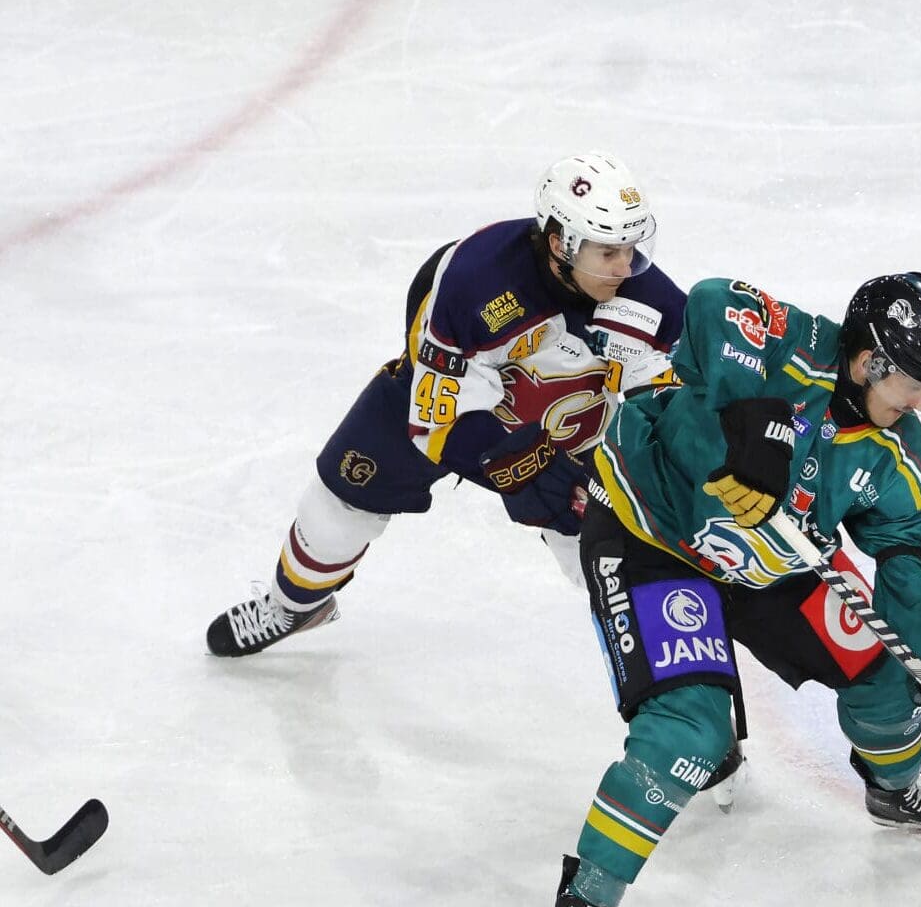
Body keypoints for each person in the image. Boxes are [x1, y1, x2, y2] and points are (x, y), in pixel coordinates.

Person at [526, 270, 921, 907]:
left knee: (886, 671)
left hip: (769, 568)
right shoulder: (791, 345)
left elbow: (906, 572)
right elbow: (715, 302)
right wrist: (752, 421)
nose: (920, 404)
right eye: (914, 384)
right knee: (692, 731)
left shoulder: (896, 454)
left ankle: (895, 789)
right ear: (868, 361)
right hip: (653, 539)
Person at [205, 153, 688, 658]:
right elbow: (439, 417)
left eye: (632, 247)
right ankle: (291, 607)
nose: (626, 267)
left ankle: (683, 696)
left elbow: (682, 384)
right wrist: (514, 468)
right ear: (558, 243)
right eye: (608, 251)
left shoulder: (645, 296)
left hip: (566, 417)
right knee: (336, 509)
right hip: (447, 398)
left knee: (618, 569)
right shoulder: (476, 279)